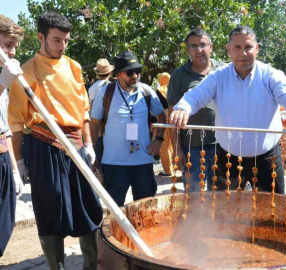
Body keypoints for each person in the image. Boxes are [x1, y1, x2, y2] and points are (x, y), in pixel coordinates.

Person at [8, 12, 102, 270]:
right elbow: (16, 121)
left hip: (76, 145)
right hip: (43, 145)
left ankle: (91, 265)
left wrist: (89, 144)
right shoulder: (24, 72)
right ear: (41, 37)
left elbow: (83, 110)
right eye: (57, 40)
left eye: (66, 41)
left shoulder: (74, 67)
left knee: (90, 205)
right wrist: (19, 161)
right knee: (50, 207)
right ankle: (56, 267)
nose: (62, 46)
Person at [170, 26, 286, 194]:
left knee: (273, 212)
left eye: (248, 47)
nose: (243, 53)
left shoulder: (270, 75)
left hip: (267, 159)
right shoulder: (218, 76)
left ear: (256, 49)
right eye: (237, 48)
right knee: (224, 212)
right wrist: (183, 108)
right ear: (229, 50)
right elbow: (197, 95)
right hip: (228, 159)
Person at [90, 51, 165, 207]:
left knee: (145, 209)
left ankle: (141, 233)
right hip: (114, 164)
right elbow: (94, 123)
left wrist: (158, 139)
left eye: (137, 71)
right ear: (117, 75)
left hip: (143, 163)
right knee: (115, 211)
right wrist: (92, 152)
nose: (135, 76)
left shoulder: (146, 91)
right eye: (130, 72)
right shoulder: (105, 93)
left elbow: (161, 116)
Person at [167, 28, 225, 192]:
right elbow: (172, 115)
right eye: (193, 46)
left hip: (223, 146)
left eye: (202, 45)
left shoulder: (224, 71)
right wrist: (177, 149)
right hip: (192, 147)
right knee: (193, 197)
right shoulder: (179, 75)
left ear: (211, 47)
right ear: (188, 50)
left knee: (222, 195)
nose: (199, 50)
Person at [0, 13, 25, 258]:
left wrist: (15, 171)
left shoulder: (2, 79)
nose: (13, 52)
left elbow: (4, 129)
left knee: (3, 228)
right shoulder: (2, 79)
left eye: (14, 46)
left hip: (2, 159)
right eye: (8, 44)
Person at [155, 72, 173, 176]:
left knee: (164, 146)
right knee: (172, 144)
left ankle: (168, 170)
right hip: (174, 118)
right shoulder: (173, 89)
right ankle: (174, 167)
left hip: (164, 119)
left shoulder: (159, 91)